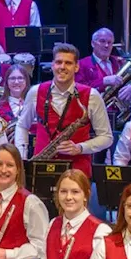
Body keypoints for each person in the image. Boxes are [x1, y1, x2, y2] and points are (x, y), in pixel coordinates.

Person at [13, 42, 112, 177]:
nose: (62, 67)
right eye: (58, 62)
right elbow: (22, 126)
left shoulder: (92, 96)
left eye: (68, 63)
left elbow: (107, 137)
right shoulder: (35, 92)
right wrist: (22, 157)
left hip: (77, 171)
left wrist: (80, 148)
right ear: (52, 65)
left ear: (77, 67)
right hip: (41, 168)